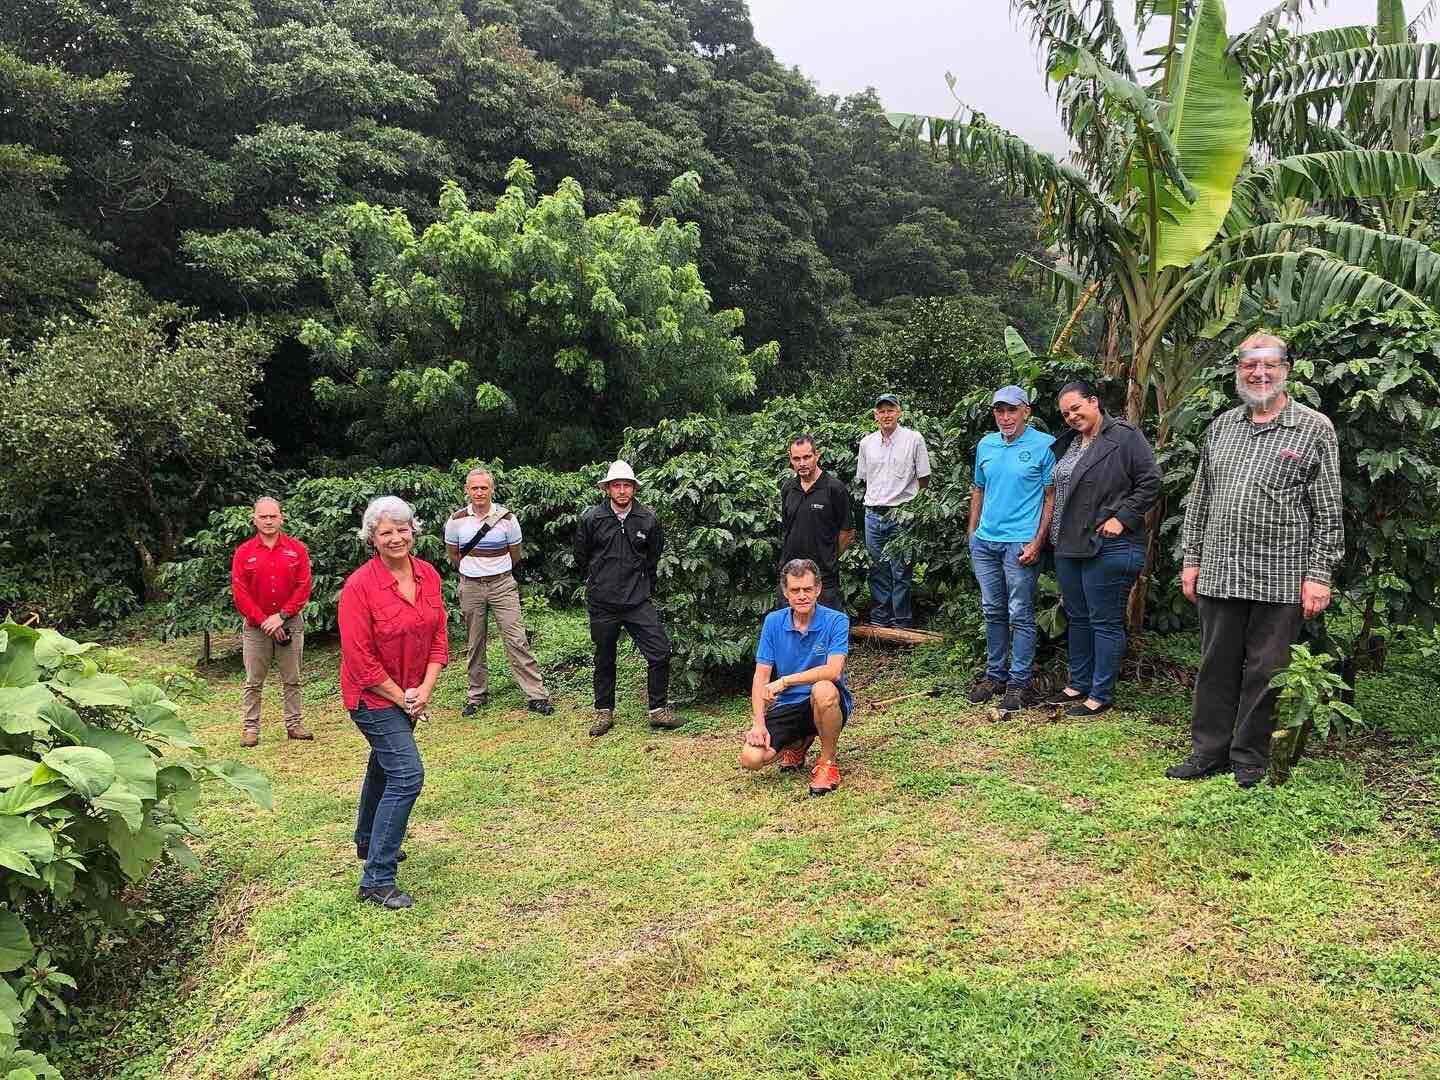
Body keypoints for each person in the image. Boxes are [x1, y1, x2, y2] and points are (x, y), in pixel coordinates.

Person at [1167, 333, 1343, 789]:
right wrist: (1192, 558)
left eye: (1269, 365)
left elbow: (1328, 509)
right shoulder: (1223, 425)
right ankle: (1208, 751)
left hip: (1282, 575)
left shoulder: (1313, 428)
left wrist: (1318, 576)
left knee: (1266, 671)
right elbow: (1200, 497)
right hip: (1220, 570)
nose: (1259, 373)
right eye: (1249, 365)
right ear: (1238, 371)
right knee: (1215, 665)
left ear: (1286, 370)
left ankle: (1249, 757)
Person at [338, 496, 450, 909]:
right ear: (372, 538)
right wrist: (402, 696)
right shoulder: (359, 587)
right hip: (372, 697)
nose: (396, 537)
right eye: (386, 532)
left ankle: (368, 840)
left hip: (411, 693)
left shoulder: (428, 576)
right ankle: (377, 881)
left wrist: (424, 689)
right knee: (407, 775)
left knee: (385, 766)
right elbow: (360, 660)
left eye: (402, 529)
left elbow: (439, 639)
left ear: (413, 531)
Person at [1044, 381, 1161, 717]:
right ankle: (1078, 683)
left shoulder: (1124, 436)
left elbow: (1151, 480)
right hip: (1068, 544)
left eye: (1076, 408)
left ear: (1094, 402)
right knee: (1078, 618)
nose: (1071, 416)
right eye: (1066, 413)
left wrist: (1122, 517)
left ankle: (1101, 692)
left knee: (1104, 621)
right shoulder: (1070, 442)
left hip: (1109, 544)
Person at [966, 385, 1057, 715]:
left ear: (1026, 412)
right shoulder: (986, 445)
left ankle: (1018, 680)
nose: (1005, 417)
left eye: (1011, 410)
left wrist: (1038, 541)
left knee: (1020, 612)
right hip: (985, 542)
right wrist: (972, 531)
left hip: (1020, 544)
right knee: (992, 609)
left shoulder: (1044, 446)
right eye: (999, 411)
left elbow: (1051, 497)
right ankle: (995, 674)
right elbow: (978, 488)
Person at [574, 461, 679, 737]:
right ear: (608, 489)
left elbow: (653, 558)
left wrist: (645, 588)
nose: (622, 491)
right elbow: (581, 557)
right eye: (616, 485)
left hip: (637, 600)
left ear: (634, 488)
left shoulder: (648, 519)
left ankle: (658, 710)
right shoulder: (592, 518)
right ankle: (603, 711)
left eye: (627, 485)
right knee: (605, 656)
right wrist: (598, 581)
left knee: (660, 651)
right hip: (603, 601)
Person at [444, 468, 553, 718]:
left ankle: (536, 695)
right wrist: (472, 571)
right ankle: (476, 695)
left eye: (484, 487)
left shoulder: (507, 519)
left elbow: (515, 553)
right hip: (470, 585)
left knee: (516, 639)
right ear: (467, 490)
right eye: (474, 488)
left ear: (492, 489)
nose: (479, 492)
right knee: (474, 642)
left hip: (502, 585)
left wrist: (496, 572)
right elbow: (453, 554)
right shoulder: (456, 520)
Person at [739, 559, 853, 796]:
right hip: (789, 704)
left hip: (824, 702)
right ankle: (797, 743)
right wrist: (758, 724)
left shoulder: (837, 620)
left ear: (818, 590)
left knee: (823, 689)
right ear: (785, 592)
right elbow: (761, 677)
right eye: (795, 590)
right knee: (751, 758)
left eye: (808, 589)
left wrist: (786, 680)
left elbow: (833, 671)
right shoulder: (773, 622)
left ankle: (827, 764)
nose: (802, 596)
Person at [230, 497, 313, 747]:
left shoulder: (297, 549)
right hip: (257, 628)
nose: (268, 521)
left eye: (272, 516)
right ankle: (250, 728)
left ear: (281, 518)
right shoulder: (244, 552)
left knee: (292, 678)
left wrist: (282, 616)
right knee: (254, 681)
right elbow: (240, 592)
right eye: (263, 517)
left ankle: (294, 724)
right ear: (254, 519)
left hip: (290, 622)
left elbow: (303, 587)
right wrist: (264, 620)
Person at [854, 393, 931, 628]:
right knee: (878, 570)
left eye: (891, 410)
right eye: (881, 411)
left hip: (901, 515)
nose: (886, 415)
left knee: (901, 572)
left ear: (899, 412)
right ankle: (880, 620)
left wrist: (911, 507)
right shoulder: (867, 443)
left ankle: (902, 622)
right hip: (874, 515)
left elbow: (924, 478)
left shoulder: (913, 439)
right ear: (875, 415)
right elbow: (864, 478)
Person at [779, 434, 854, 611]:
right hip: (791, 573)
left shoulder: (834, 488)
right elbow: (787, 528)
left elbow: (847, 532)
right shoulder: (788, 488)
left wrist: (830, 557)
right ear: (791, 459)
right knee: (790, 628)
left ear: (817, 456)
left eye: (807, 457)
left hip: (824, 576)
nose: (802, 463)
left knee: (825, 629)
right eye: (797, 458)